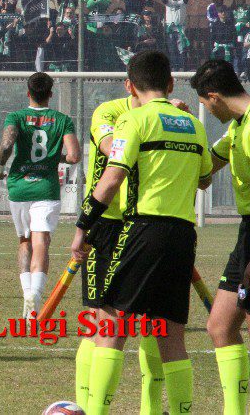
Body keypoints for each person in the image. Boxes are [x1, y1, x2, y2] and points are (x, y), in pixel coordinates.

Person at [70, 50, 212, 415]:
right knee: (172, 335)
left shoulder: (133, 120)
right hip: (184, 236)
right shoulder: (193, 124)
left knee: (110, 324)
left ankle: (96, 411)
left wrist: (83, 225)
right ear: (171, 83)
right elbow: (204, 179)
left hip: (143, 230)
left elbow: (111, 179)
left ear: (130, 86)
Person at [71, 89, 176, 414]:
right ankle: (85, 406)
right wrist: (160, 123)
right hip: (105, 222)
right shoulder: (107, 111)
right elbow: (111, 147)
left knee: (153, 320)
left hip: (143, 224)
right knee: (97, 320)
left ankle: (151, 408)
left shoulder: (158, 117)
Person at [189, 60, 250, 415]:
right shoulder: (237, 128)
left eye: (205, 105)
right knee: (220, 325)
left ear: (214, 97)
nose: (208, 112)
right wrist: (186, 130)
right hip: (246, 233)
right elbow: (204, 172)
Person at [0, 73, 80, 317]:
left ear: (28, 93)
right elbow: (74, 156)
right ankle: (36, 293)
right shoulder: (62, 120)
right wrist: (55, 157)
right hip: (46, 187)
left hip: (19, 186)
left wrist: (0, 167)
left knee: (25, 241)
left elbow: (6, 146)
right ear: (50, 94)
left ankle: (26, 294)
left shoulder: (16, 117)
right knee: (41, 241)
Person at [161, 0, 190, 71]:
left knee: (182, 49)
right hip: (170, 29)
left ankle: (182, 68)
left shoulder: (182, 1)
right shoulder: (168, 1)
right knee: (172, 49)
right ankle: (174, 68)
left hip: (180, 29)